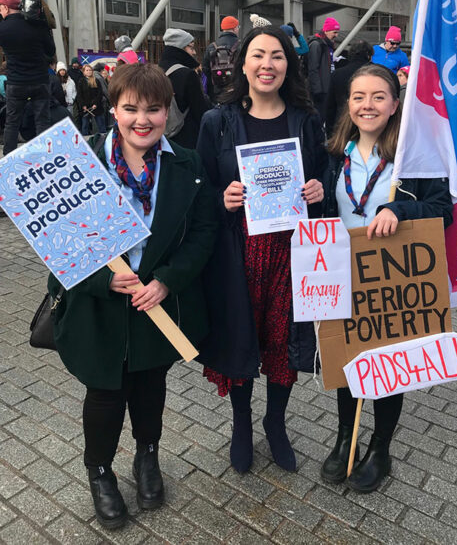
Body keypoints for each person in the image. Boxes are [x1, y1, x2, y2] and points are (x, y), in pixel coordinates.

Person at [48, 62, 217, 529]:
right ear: (113, 109)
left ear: (168, 112)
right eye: (131, 108)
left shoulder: (187, 163)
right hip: (99, 307)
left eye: (154, 109)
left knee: (148, 387)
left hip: (156, 303)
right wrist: (102, 281)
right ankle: (99, 472)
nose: (142, 119)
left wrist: (167, 279)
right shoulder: (80, 165)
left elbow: (204, 232)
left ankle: (147, 457)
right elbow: (56, 247)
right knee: (105, 393)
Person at [196, 26, 326, 474]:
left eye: (276, 55)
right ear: (242, 62)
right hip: (238, 252)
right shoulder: (218, 120)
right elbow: (201, 188)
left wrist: (316, 189)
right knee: (241, 337)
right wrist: (220, 197)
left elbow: (323, 176)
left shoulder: (305, 119)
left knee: (282, 341)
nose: (267, 64)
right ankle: (241, 423)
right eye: (258, 55)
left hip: (291, 252)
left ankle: (275, 422)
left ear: (289, 64)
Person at [321, 63, 453, 492]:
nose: (368, 105)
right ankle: (347, 437)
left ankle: (380, 446)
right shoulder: (334, 152)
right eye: (359, 97)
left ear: (396, 104)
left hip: (390, 279)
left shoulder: (411, 160)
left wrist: (400, 209)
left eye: (378, 96)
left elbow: (444, 209)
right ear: (349, 104)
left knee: (385, 367)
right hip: (342, 271)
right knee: (348, 361)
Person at [0, 0, 55, 155]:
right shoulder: (38, 24)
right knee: (42, 121)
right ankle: (44, 157)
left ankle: (9, 157)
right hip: (40, 80)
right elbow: (51, 51)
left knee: (12, 122)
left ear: (5, 8)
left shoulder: (3, 28)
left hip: (16, 82)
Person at [159, 28, 210, 149]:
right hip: (187, 139)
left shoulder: (157, 71)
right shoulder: (187, 74)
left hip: (163, 137)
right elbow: (200, 112)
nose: (194, 52)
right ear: (180, 48)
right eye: (191, 47)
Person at [325, 39, 373, 137]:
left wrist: (330, 133)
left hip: (342, 125)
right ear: (369, 56)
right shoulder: (379, 74)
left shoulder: (337, 75)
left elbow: (330, 106)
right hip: (370, 125)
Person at [307, 17, 340, 122]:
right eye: (334, 32)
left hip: (326, 87)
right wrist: (317, 90)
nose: (336, 35)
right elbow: (313, 68)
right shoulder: (317, 44)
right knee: (319, 118)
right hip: (321, 90)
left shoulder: (326, 45)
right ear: (326, 31)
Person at [202, 16, 240, 103]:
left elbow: (205, 69)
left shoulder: (212, 46)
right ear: (234, 28)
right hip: (236, 89)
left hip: (217, 90)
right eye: (238, 27)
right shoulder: (241, 45)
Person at [77, 64, 106, 135]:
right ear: (83, 72)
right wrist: (83, 105)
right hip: (86, 108)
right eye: (87, 70)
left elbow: (100, 93)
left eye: (90, 70)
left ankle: (103, 138)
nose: (89, 71)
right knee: (85, 126)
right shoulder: (81, 81)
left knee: (101, 124)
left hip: (96, 106)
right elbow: (79, 95)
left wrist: (95, 104)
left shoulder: (96, 80)